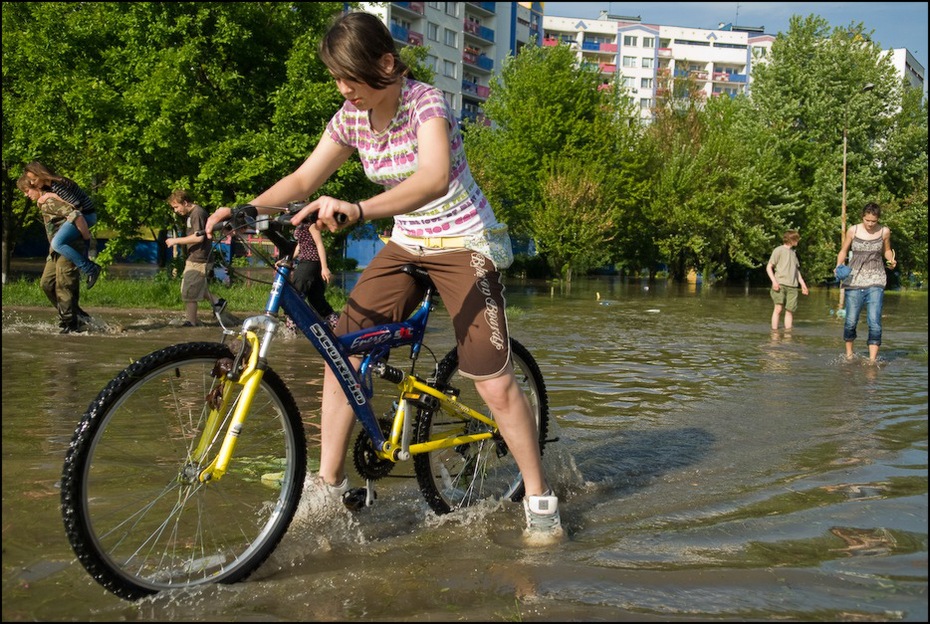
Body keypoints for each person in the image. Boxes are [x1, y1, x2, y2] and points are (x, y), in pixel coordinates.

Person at [207, 11, 562, 543]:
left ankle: (538, 497)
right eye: (336, 77)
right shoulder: (350, 116)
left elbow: (434, 177)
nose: (342, 87)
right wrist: (244, 208)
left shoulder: (426, 104)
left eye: (350, 76)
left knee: (489, 378)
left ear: (387, 64)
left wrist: (357, 207)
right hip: (408, 243)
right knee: (341, 350)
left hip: (464, 241)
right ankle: (328, 487)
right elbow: (305, 177)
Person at [17, 173, 92, 333]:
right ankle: (77, 316)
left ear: (35, 187)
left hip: (68, 247)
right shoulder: (44, 201)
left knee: (64, 284)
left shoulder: (49, 201)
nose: (26, 195)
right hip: (56, 250)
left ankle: (70, 324)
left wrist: (87, 239)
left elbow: (75, 214)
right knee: (46, 283)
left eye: (27, 190)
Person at [24, 161, 102, 289]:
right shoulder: (49, 186)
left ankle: (90, 268)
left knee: (57, 243)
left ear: (42, 174)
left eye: (34, 179)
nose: (32, 183)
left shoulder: (59, 184)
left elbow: (77, 206)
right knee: (58, 243)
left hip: (86, 215)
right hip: (79, 216)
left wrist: (51, 195)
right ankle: (88, 267)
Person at [835, 202, 897, 363]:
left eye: (873, 221)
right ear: (862, 217)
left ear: (878, 219)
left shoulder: (884, 232)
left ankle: (872, 361)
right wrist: (838, 266)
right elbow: (843, 251)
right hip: (854, 280)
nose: (870, 224)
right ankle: (849, 356)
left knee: (874, 321)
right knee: (850, 321)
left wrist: (891, 260)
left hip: (876, 279)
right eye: (867, 220)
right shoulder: (853, 230)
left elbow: (887, 250)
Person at [165, 189, 227, 327]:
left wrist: (175, 241)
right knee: (197, 287)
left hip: (199, 258)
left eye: (176, 207)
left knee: (189, 291)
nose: (175, 211)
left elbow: (199, 237)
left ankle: (191, 322)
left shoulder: (197, 213)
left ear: (185, 202)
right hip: (198, 257)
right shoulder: (193, 213)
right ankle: (218, 302)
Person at [287, 221, 339, 329]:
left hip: (310, 262)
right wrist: (287, 260)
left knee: (295, 295)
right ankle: (337, 327)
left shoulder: (311, 225)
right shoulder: (300, 225)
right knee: (316, 299)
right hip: (306, 262)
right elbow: (299, 246)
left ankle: (290, 332)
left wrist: (324, 267)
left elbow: (319, 244)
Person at [765, 230, 809, 331]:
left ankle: (788, 335)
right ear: (791, 239)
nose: (798, 241)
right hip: (780, 284)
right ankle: (774, 333)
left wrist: (803, 284)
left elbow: (796, 271)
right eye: (796, 239)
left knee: (790, 311)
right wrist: (774, 281)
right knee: (778, 309)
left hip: (793, 287)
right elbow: (769, 267)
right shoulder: (778, 250)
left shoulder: (793, 254)